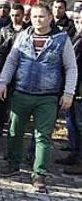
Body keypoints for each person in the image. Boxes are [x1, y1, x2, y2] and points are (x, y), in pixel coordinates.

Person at [0, 3, 77, 193]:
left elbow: (71, 67)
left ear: (50, 17)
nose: (37, 20)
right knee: (14, 132)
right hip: (21, 93)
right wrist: (3, 82)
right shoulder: (23, 36)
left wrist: (68, 93)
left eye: (41, 16)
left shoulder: (62, 39)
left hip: (47, 97)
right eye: (34, 17)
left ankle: (39, 175)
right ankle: (12, 165)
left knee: (43, 137)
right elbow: (12, 60)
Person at [0, 3, 29, 136]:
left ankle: (17, 127)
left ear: (23, 15)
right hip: (7, 68)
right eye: (12, 15)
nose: (14, 18)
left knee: (18, 101)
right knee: (2, 99)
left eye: (17, 15)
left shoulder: (29, 31)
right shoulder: (5, 30)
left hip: (23, 70)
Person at [63, 11, 82, 175]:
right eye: (77, 19)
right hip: (74, 88)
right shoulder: (76, 36)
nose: (78, 22)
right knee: (72, 123)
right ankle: (74, 154)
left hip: (80, 88)